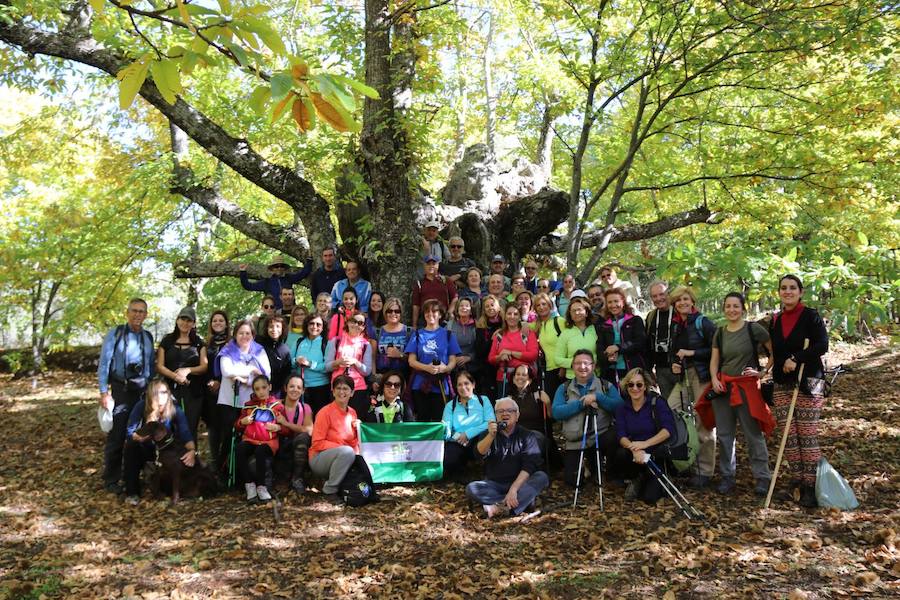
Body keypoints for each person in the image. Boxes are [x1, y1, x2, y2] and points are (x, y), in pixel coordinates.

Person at [701, 292, 775, 496]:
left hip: (747, 388)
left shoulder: (754, 329)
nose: (732, 310)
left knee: (753, 433)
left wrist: (762, 372)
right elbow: (714, 360)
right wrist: (714, 379)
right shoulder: (720, 332)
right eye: (728, 306)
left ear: (743, 308)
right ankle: (727, 476)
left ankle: (762, 476)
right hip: (724, 388)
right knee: (725, 435)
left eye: (736, 306)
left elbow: (774, 351)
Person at [768, 274, 829, 508]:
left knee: (807, 435)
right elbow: (773, 350)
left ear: (801, 291)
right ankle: (797, 483)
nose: (788, 291)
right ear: (779, 292)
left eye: (793, 288)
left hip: (809, 381)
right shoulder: (775, 320)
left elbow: (822, 345)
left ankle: (812, 487)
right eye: (783, 288)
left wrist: (797, 358)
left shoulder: (810, 316)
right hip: (783, 383)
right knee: (789, 437)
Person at [98, 298, 155, 494]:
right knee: (118, 434)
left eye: (141, 312)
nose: (138, 315)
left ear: (146, 315)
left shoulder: (148, 337)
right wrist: (104, 391)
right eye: (134, 311)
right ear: (127, 312)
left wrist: (152, 391)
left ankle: (137, 474)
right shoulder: (116, 333)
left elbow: (151, 367)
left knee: (142, 433)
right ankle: (112, 479)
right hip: (120, 390)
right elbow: (104, 363)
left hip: (142, 391)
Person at [465, 398, 549, 518]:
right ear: (496, 415)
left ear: (517, 415)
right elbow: (478, 454)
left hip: (520, 484)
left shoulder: (527, 435)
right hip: (494, 484)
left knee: (541, 477)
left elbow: (530, 465)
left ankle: (501, 506)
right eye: (501, 411)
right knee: (471, 488)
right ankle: (519, 503)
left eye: (510, 410)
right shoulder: (487, 434)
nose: (505, 413)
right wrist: (491, 436)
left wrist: (514, 489)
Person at [668, 285, 717, 489]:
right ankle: (685, 460)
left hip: (702, 376)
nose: (682, 303)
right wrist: (674, 362)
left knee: (702, 422)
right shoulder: (676, 324)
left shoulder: (702, 322)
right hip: (683, 377)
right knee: (670, 411)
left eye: (686, 299)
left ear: (692, 301)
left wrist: (692, 354)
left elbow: (717, 349)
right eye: (678, 300)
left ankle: (704, 471)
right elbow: (674, 350)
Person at [552, 350, 623, 486]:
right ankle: (587, 468)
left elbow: (620, 406)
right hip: (576, 440)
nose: (582, 367)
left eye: (586, 363)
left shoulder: (605, 386)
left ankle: (607, 471)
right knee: (573, 482)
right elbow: (556, 412)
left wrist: (599, 397)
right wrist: (581, 404)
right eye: (578, 363)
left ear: (594, 365)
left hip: (600, 437)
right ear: (572, 366)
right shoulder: (564, 388)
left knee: (616, 434)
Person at [123, 377, 196, 505]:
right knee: (131, 447)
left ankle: (173, 490)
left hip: (167, 450)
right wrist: (139, 437)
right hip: (146, 447)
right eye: (158, 393)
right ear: (151, 394)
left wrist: (192, 451)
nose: (162, 396)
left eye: (165, 392)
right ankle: (132, 493)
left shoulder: (175, 409)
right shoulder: (142, 405)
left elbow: (186, 434)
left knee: (179, 457)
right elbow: (130, 431)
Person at [215, 320, 271, 478]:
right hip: (229, 400)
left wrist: (244, 378)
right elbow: (226, 371)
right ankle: (224, 472)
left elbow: (265, 374)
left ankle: (243, 474)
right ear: (235, 334)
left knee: (246, 438)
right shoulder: (228, 349)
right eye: (241, 333)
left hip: (251, 402)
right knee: (228, 436)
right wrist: (251, 369)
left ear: (253, 335)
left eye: (248, 333)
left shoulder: (259, 351)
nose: (244, 336)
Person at [613, 368, 675, 504]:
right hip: (634, 453)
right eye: (631, 384)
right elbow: (621, 435)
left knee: (649, 498)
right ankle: (635, 478)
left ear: (645, 386)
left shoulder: (657, 403)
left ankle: (661, 476)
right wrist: (635, 449)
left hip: (655, 452)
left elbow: (668, 430)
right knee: (620, 453)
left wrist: (645, 444)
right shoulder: (622, 408)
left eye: (639, 384)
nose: (635, 388)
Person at [155, 306, 208, 441]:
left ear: (194, 323)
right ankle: (170, 459)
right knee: (169, 425)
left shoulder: (198, 343)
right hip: (169, 390)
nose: (185, 323)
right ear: (177, 320)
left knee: (190, 427)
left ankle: (191, 458)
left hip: (193, 391)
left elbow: (204, 366)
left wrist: (188, 370)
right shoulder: (167, 341)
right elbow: (160, 366)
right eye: (182, 319)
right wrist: (176, 377)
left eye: (189, 320)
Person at [405, 299, 460, 422]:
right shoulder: (417, 334)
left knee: (439, 421)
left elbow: (453, 361)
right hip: (420, 385)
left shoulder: (448, 335)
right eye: (427, 311)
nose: (430, 314)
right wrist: (427, 368)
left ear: (440, 314)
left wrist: (444, 368)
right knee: (422, 421)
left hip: (441, 384)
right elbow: (411, 361)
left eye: (434, 311)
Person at [309, 375, 361, 503]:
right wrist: (343, 448)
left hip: (344, 457)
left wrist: (359, 430)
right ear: (333, 391)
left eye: (345, 388)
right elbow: (317, 443)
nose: (341, 392)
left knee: (367, 467)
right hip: (319, 458)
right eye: (338, 388)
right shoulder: (324, 412)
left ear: (352, 392)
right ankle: (329, 491)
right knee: (347, 452)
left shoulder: (353, 413)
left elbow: (354, 442)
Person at [235, 375, 285, 503]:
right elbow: (237, 425)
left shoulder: (277, 406)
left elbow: (286, 428)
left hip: (269, 442)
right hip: (250, 439)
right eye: (257, 389)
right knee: (240, 449)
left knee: (260, 452)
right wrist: (242, 422)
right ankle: (249, 485)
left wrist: (278, 428)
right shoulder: (248, 406)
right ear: (254, 391)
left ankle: (261, 486)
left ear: (270, 387)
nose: (261, 391)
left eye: (264, 387)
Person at [442, 370, 495, 479]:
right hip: (458, 441)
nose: (463, 387)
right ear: (456, 387)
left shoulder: (483, 400)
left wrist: (468, 434)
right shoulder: (450, 406)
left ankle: (488, 471)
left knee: (489, 435)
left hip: (479, 440)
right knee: (449, 459)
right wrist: (457, 436)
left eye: (466, 383)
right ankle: (462, 473)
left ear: (473, 384)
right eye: (459, 384)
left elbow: (490, 422)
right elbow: (447, 431)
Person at [325, 311, 373, 420]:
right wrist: (338, 362)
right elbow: (327, 366)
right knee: (335, 420)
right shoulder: (336, 341)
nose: (356, 325)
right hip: (337, 387)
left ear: (363, 326)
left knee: (355, 420)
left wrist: (355, 362)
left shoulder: (366, 345)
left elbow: (367, 371)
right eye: (353, 321)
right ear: (347, 322)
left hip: (357, 388)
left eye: (360, 323)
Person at [597, 288, 648, 385]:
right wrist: (607, 357)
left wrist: (618, 347)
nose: (613, 305)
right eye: (610, 302)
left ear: (623, 302)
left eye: (616, 301)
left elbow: (640, 342)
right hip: (611, 372)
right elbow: (600, 347)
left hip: (632, 370)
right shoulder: (603, 326)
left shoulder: (635, 321)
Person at [275, 374, 313, 495]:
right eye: (291, 386)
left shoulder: (305, 407)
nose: (295, 390)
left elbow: (309, 430)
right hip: (277, 447)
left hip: (296, 448)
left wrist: (286, 423)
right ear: (285, 388)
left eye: (298, 387)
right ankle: (279, 480)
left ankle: (297, 478)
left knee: (304, 437)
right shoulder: (275, 405)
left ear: (303, 391)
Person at [488, 304, 539, 392]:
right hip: (504, 378)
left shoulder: (527, 333)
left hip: (524, 378)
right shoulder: (499, 335)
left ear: (520, 317)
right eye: (509, 314)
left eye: (515, 314)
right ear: (505, 317)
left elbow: (533, 355)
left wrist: (511, 353)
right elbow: (491, 358)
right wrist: (500, 357)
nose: (512, 317)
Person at [204, 310, 230, 466]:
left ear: (226, 324)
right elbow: (204, 366)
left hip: (228, 390)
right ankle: (214, 462)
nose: (218, 323)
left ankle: (225, 461)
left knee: (227, 427)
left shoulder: (232, 343)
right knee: (213, 428)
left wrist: (220, 381)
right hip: (210, 393)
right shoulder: (206, 344)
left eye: (221, 320)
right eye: (215, 321)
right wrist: (210, 382)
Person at [240, 255, 311, 311]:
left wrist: (309, 261)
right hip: (274, 315)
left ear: (284, 268)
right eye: (276, 266)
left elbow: (303, 273)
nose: (279, 268)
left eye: (281, 266)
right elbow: (248, 286)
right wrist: (243, 272)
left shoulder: (289, 278)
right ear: (272, 269)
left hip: (290, 312)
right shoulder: (267, 282)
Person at [292, 314, 331, 417]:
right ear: (306, 325)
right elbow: (290, 362)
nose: (314, 327)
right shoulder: (299, 342)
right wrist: (296, 361)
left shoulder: (327, 343)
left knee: (320, 419)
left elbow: (327, 367)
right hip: (301, 388)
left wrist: (310, 364)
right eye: (311, 323)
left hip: (321, 388)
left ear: (323, 328)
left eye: (318, 324)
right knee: (303, 419)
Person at [645, 281, 677, 400]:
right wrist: (649, 369)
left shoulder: (678, 312)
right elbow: (648, 344)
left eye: (662, 294)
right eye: (654, 296)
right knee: (668, 405)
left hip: (680, 368)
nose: (659, 298)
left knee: (684, 406)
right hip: (661, 369)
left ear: (668, 294)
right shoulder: (651, 317)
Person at [532, 292, 567, 399]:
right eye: (538, 305)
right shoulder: (539, 325)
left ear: (550, 305)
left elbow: (569, 344)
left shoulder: (560, 321)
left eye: (544, 304)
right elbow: (519, 325)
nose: (541, 307)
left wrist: (563, 367)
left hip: (563, 369)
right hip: (549, 370)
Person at [554, 293, 596, 381]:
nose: (576, 313)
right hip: (572, 379)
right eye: (573, 311)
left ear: (586, 312)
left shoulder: (596, 330)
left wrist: (589, 363)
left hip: (594, 377)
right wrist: (577, 363)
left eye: (579, 310)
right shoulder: (565, 333)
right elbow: (557, 359)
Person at [411, 255, 457, 328]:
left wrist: (449, 312)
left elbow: (455, 298)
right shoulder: (419, 284)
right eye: (428, 264)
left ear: (438, 265)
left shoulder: (446, 280)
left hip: (443, 320)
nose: (431, 266)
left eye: (434, 264)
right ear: (424, 266)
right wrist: (414, 324)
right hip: (425, 320)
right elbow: (416, 305)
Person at [474, 295, 503, 399]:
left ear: (498, 307)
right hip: (487, 370)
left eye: (492, 305)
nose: (490, 308)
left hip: (505, 367)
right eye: (487, 306)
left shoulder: (506, 323)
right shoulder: (481, 327)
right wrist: (492, 339)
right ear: (484, 310)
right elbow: (479, 351)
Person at [374, 297, 410, 377]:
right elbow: (372, 358)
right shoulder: (377, 332)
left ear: (401, 313)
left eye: (397, 311)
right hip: (382, 375)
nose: (393, 314)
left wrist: (400, 355)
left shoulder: (409, 332)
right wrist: (374, 377)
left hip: (403, 376)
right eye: (389, 311)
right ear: (385, 313)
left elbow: (414, 359)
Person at [256, 315, 292, 396]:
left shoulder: (285, 350)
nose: (274, 329)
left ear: (283, 329)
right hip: (257, 388)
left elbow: (286, 375)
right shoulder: (258, 342)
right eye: (271, 326)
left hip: (275, 392)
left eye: (278, 326)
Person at [447, 297, 478, 376]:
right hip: (452, 366)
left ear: (471, 310)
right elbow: (443, 345)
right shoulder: (450, 325)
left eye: (467, 306)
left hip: (472, 367)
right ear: (457, 309)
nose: (464, 307)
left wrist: (469, 358)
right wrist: (452, 358)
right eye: (461, 306)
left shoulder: (477, 326)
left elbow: (481, 348)